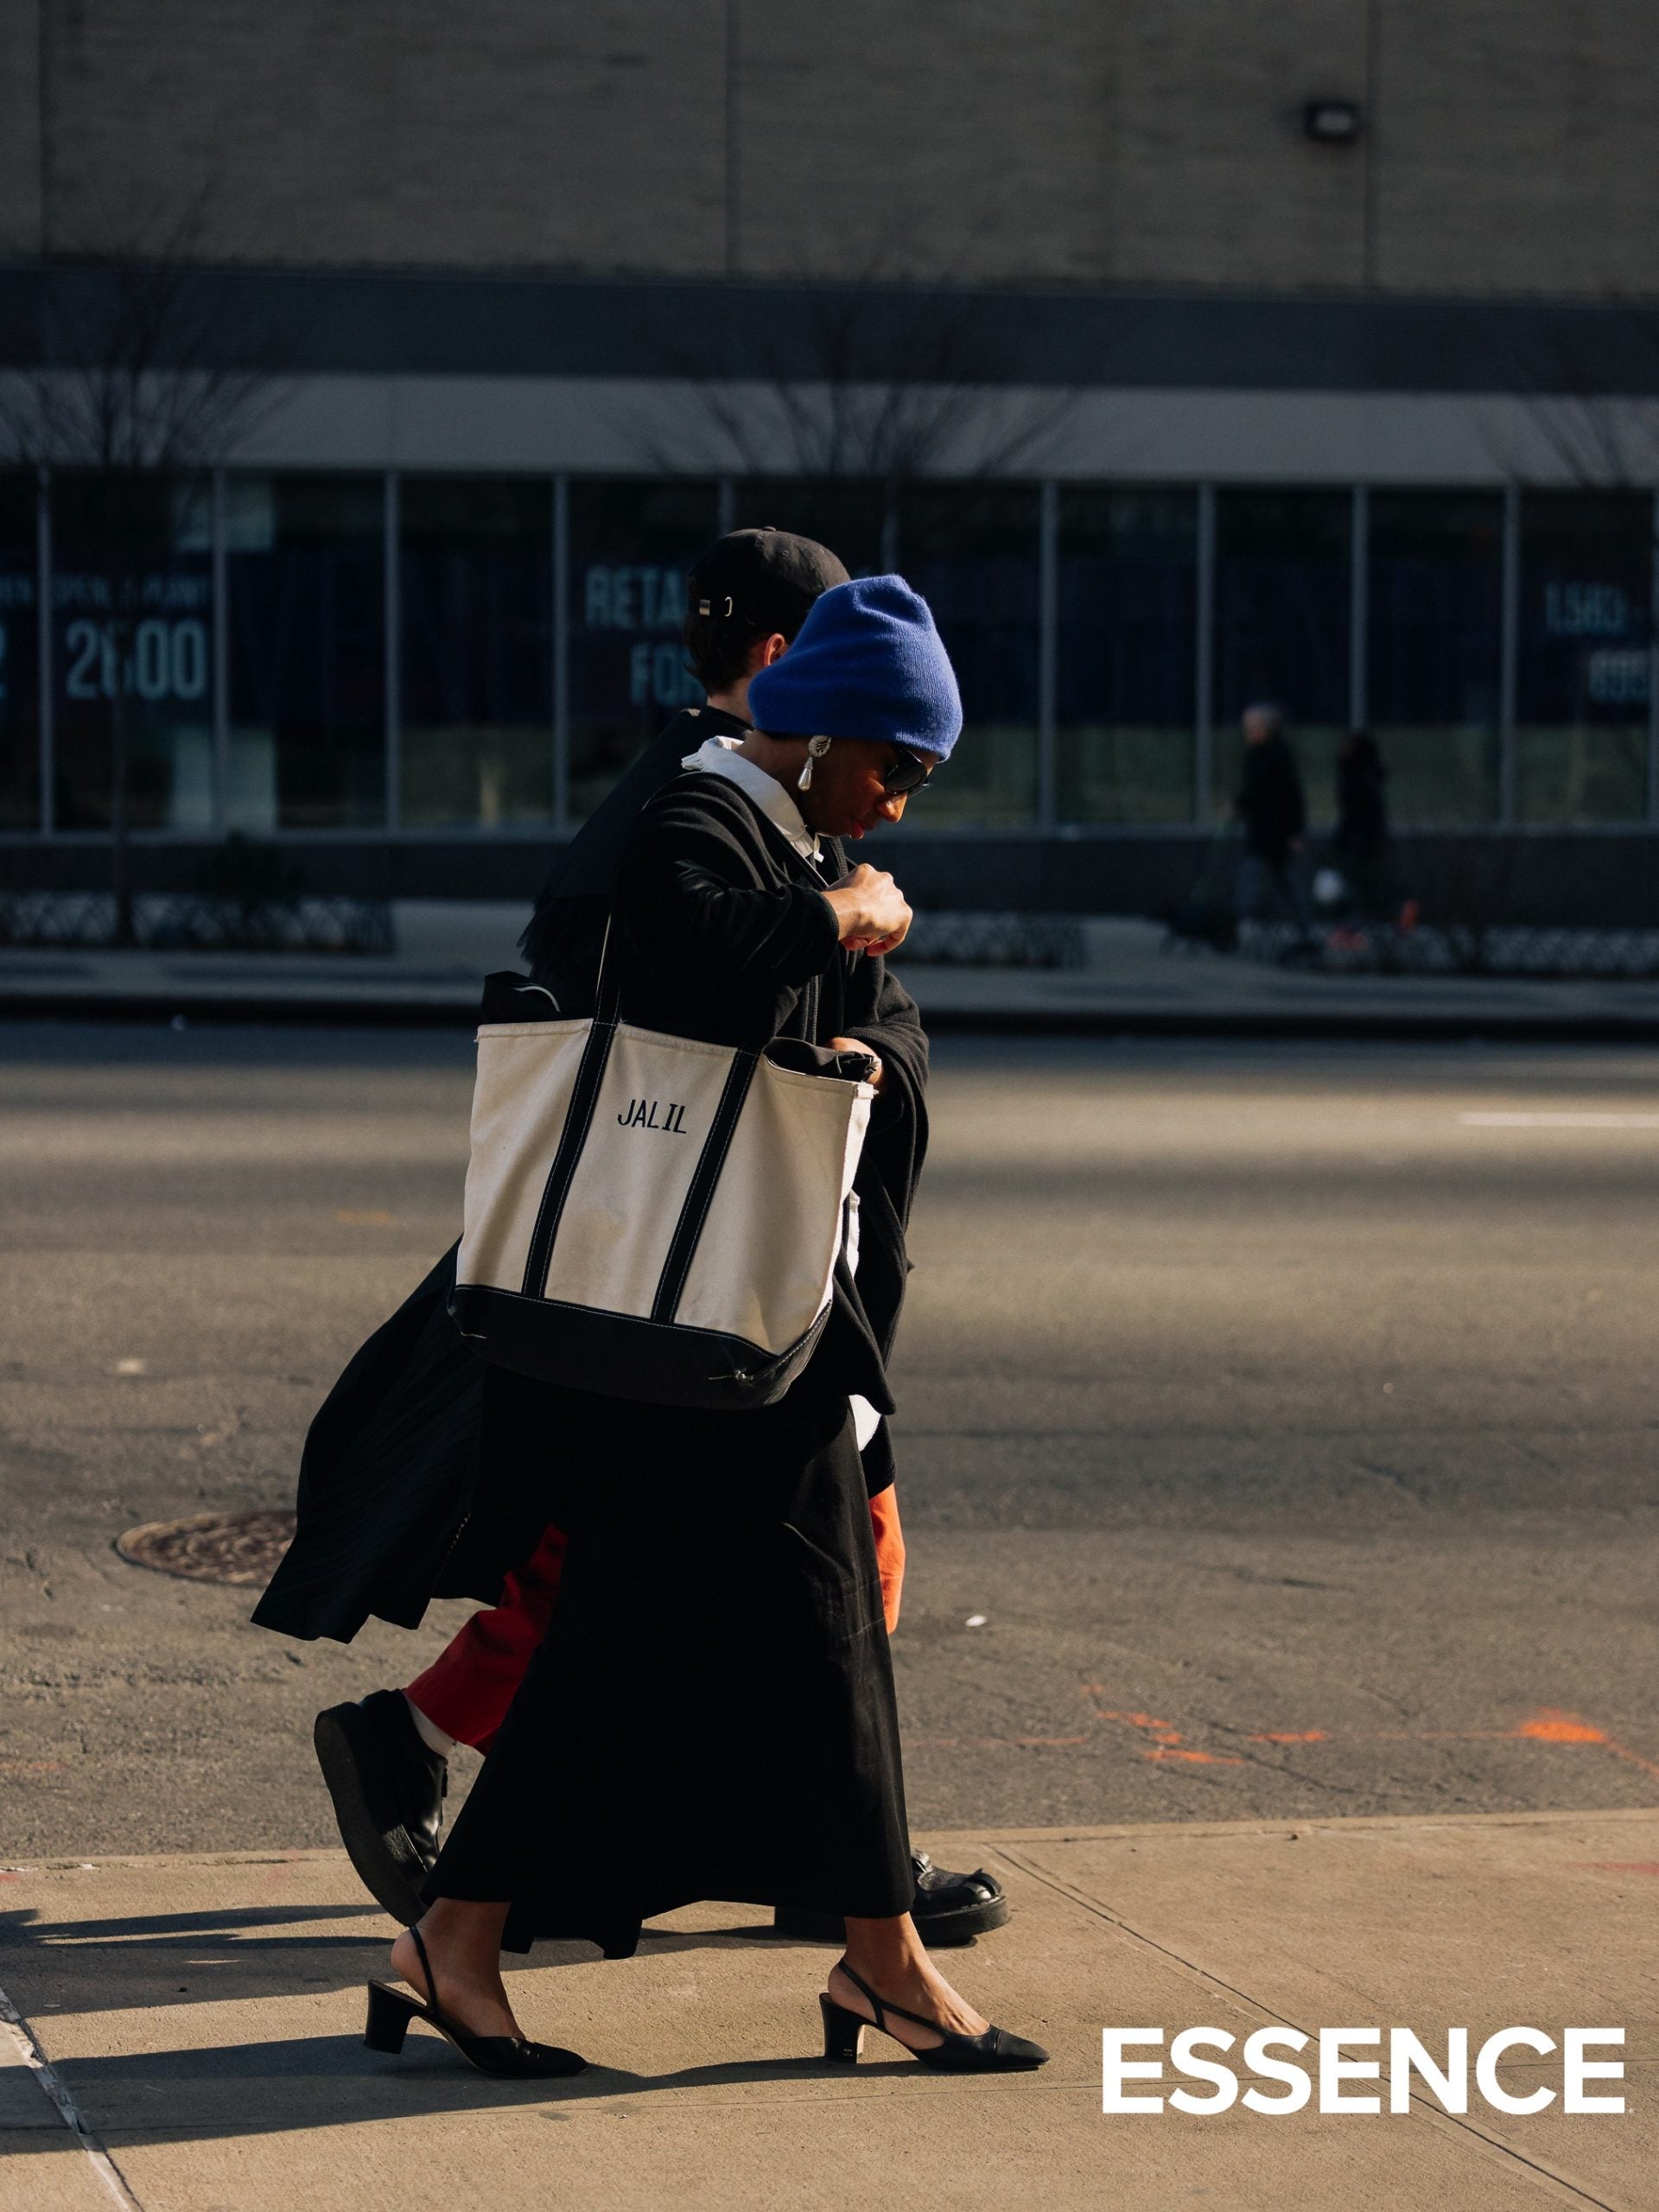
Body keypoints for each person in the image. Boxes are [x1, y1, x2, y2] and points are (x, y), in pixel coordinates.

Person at [270, 528, 1007, 1952]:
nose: (899, 801)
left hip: (679, 1256)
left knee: (652, 1584)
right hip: (670, 1261)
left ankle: (495, 1884)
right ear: (794, 666)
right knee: (721, 1580)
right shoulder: (700, 812)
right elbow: (650, 991)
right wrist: (830, 937)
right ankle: (785, 1890)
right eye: (900, 764)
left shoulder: (768, 812)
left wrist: (857, 1025)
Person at [1232, 702, 1313, 940]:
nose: (1247, 731)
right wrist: (1239, 804)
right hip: (1261, 831)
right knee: (1260, 880)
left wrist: (1295, 832)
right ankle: (1239, 926)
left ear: (1264, 728)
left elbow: (1291, 796)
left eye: (1251, 726)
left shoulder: (1279, 756)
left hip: (1278, 833)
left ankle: (1302, 928)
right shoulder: (1255, 756)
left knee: (1283, 882)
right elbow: (1254, 791)